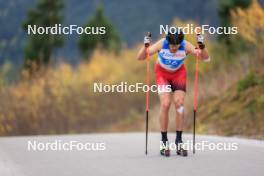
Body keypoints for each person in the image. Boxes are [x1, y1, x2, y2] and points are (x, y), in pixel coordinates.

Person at [136, 29, 210, 157]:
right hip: (162, 74)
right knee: (165, 104)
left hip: (178, 74)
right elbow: (140, 58)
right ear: (168, 42)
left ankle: (179, 141)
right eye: (172, 46)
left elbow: (205, 58)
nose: (174, 48)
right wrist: (145, 46)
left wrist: (202, 46)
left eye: (177, 46)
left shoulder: (185, 45)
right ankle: (164, 142)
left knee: (179, 103)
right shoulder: (161, 43)